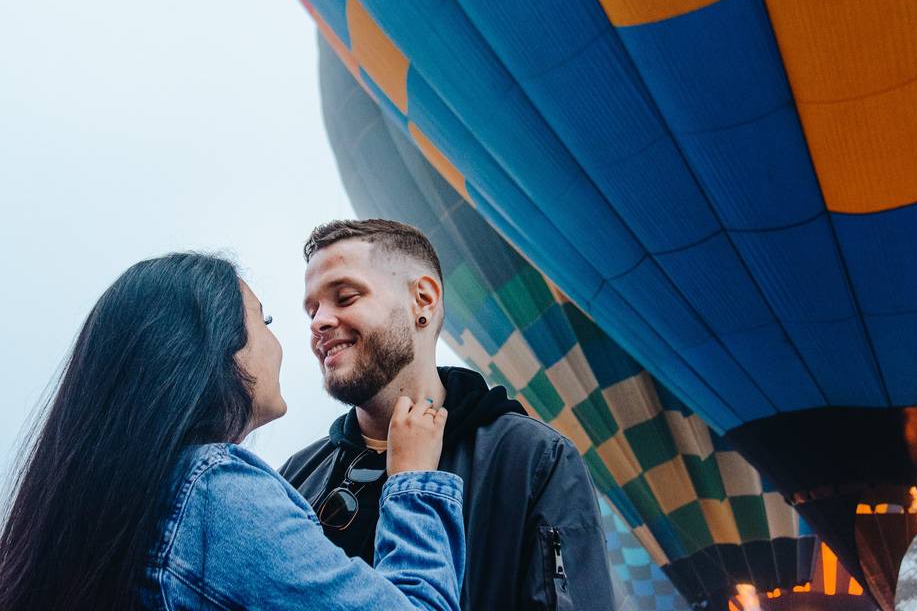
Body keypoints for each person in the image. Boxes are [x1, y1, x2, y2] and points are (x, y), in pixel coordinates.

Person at [0, 253, 465, 611]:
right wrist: (413, 483)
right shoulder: (213, 493)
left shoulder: (103, 502)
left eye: (345, 298)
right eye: (264, 320)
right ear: (216, 348)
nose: (318, 325)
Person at [281, 220, 615, 610]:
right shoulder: (295, 477)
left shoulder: (531, 458)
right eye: (312, 310)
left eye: (345, 297)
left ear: (423, 299)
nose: (319, 321)